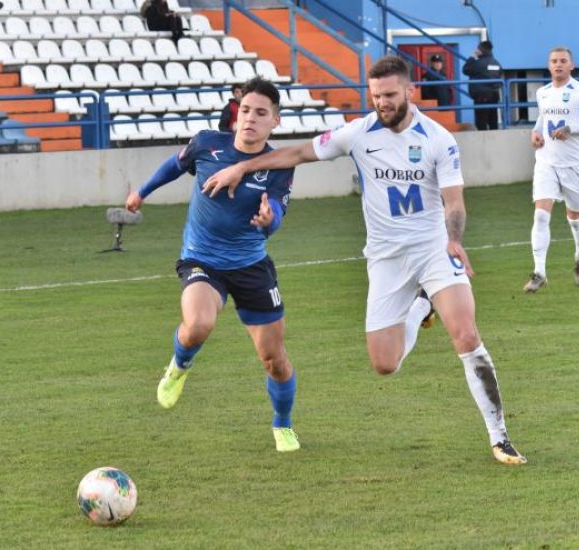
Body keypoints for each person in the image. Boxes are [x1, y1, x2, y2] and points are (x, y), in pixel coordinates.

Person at [201, 56, 527, 466]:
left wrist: (455, 240)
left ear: (409, 91)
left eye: (390, 95)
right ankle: (421, 306)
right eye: (375, 96)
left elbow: (454, 202)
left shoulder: (438, 139)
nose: (383, 103)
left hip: (433, 249)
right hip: (385, 258)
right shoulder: (358, 133)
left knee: (465, 335)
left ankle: (500, 438)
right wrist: (242, 167)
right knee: (384, 364)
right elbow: (299, 153)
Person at [124, 77, 300, 453]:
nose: (251, 118)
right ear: (238, 113)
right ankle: (178, 367)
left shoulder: (280, 166)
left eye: (261, 113)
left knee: (275, 361)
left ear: (276, 121)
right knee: (199, 325)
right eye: (247, 110)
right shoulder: (207, 143)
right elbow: (175, 165)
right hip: (201, 259)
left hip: (252, 266)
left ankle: (282, 424)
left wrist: (271, 220)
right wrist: (142, 191)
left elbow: (279, 211)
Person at [524, 47, 579, 293]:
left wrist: (572, 128)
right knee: (540, 214)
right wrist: (535, 131)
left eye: (563, 61)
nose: (558, 64)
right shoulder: (543, 92)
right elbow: (543, 118)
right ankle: (539, 272)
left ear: (572, 65)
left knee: (575, 217)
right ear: (549, 66)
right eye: (553, 61)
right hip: (546, 162)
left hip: (575, 165)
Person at [461, 40, 502, 130]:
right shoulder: (496, 63)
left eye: (478, 49)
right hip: (494, 96)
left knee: (481, 123)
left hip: (481, 98)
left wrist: (472, 58)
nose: (476, 51)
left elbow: (465, 70)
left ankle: (484, 143)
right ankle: (495, 142)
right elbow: (499, 76)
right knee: (493, 122)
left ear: (481, 50)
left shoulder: (478, 63)